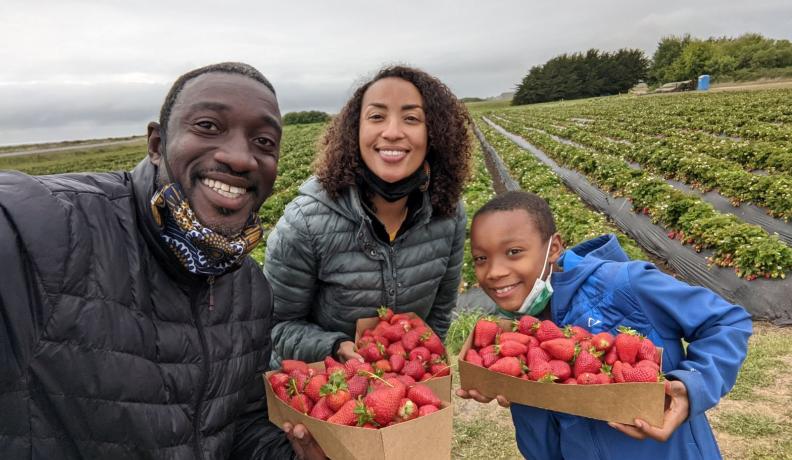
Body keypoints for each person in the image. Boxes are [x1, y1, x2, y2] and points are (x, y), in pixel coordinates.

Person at [0, 62, 324, 459]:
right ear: (156, 145)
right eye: (208, 125)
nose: (241, 158)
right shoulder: (55, 228)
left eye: (264, 141)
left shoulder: (250, 288)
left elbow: (237, 427)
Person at [457, 191, 752, 459]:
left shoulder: (626, 284)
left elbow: (726, 321)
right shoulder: (517, 331)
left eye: (513, 252)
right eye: (481, 258)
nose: (494, 272)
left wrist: (691, 388)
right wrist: (511, 390)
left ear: (554, 247)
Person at [265, 65, 471, 366]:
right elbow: (276, 327)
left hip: (403, 391)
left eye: (412, 118)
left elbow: (439, 314)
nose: (392, 132)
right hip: (326, 392)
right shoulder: (305, 222)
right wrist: (334, 347)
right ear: (355, 131)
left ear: (434, 134)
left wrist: (418, 370)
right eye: (376, 116)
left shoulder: (448, 214)